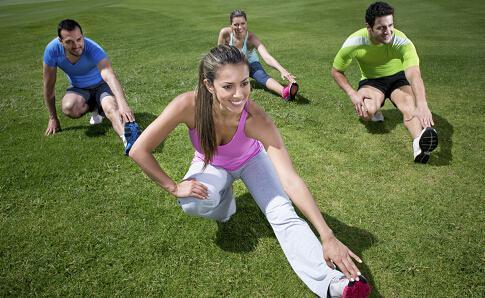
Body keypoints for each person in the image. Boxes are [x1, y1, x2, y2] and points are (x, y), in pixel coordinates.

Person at [129, 45, 371, 297]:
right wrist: (175, 187)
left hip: (252, 161)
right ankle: (226, 205)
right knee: (191, 201)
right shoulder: (188, 105)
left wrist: (327, 235)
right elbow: (139, 150)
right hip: (211, 162)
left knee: (282, 213)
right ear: (209, 85)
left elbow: (290, 179)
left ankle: (336, 283)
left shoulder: (257, 120)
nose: (239, 94)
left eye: (244, 83)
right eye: (228, 86)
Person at [331, 2, 438, 163]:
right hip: (372, 82)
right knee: (367, 112)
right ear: (369, 27)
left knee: (410, 105)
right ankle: (375, 109)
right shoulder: (355, 42)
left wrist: (422, 104)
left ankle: (419, 145)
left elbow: (414, 75)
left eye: (390, 25)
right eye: (381, 27)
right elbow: (336, 71)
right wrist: (352, 94)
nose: (388, 32)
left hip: (398, 79)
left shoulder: (402, 42)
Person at [42, 19, 141, 155]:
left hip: (102, 86)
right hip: (80, 89)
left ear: (83, 36)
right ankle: (96, 109)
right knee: (69, 107)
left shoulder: (93, 48)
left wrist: (123, 104)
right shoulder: (52, 51)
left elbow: (109, 76)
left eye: (79, 39)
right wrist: (53, 118)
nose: (76, 45)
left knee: (111, 108)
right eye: (69, 42)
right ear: (61, 42)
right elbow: (49, 86)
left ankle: (130, 141)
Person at [218, 9, 299, 101]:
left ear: (246, 23)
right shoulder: (225, 34)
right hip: (233, 64)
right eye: (236, 24)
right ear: (231, 25)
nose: (240, 27)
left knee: (261, 76)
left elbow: (266, 56)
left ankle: (285, 92)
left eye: (242, 23)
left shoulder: (251, 38)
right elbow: (219, 54)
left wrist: (282, 70)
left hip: (250, 64)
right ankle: (241, 83)